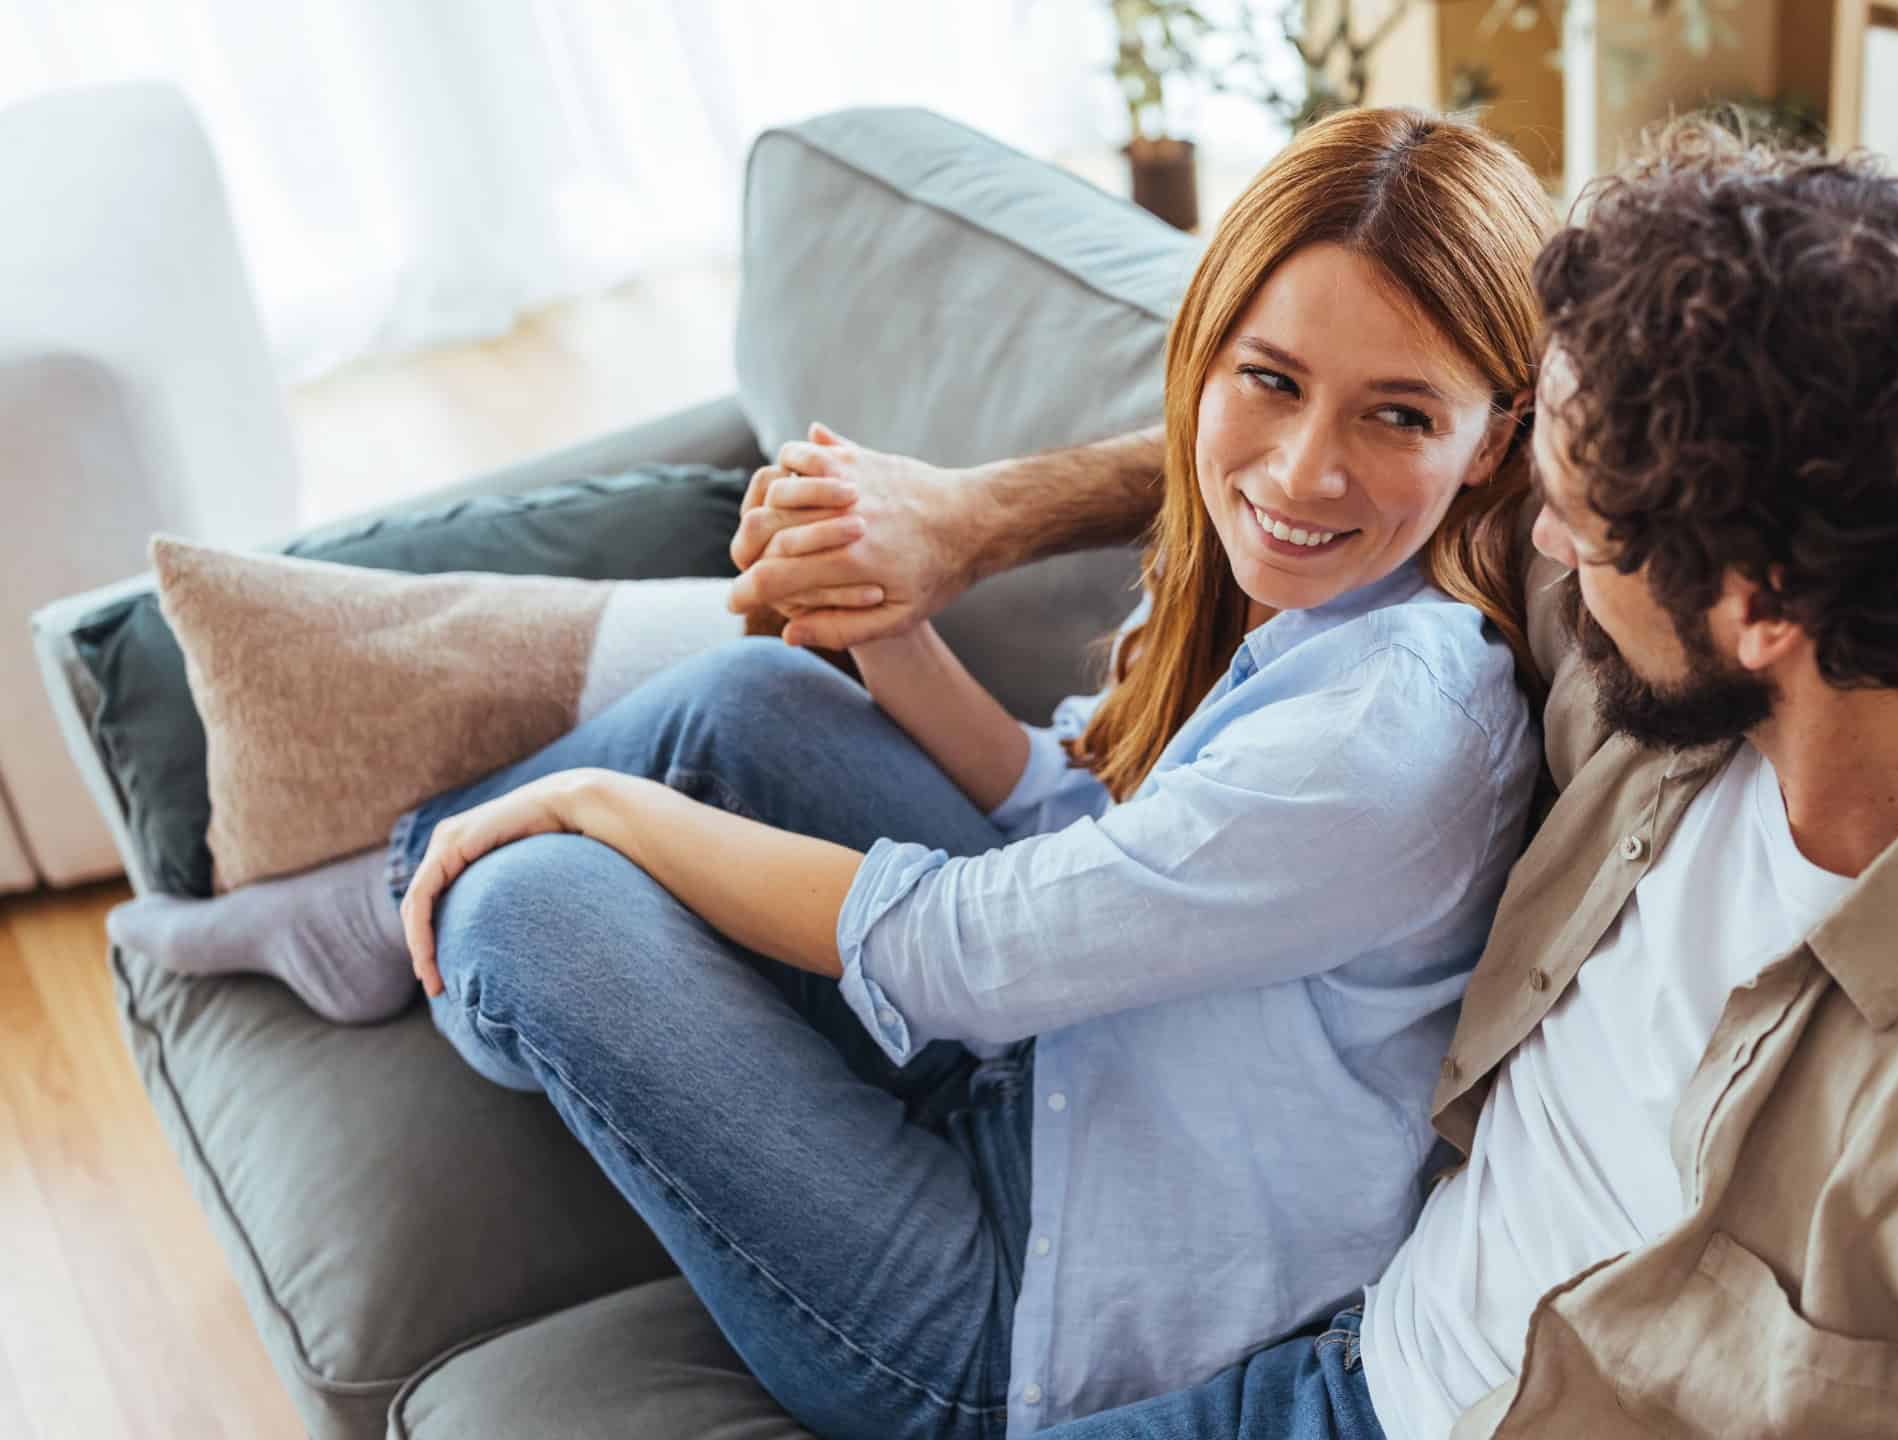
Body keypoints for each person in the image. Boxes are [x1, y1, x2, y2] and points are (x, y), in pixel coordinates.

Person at [742, 118, 1898, 1437]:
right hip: (1343, 1351)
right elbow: (1333, 457)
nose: (1539, 548)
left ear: (1762, 604)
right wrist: (974, 518)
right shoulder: (1715, 673)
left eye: (1572, 511)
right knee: (736, 712)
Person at [115, 108, 1554, 1440]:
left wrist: (603, 806)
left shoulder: (1387, 733)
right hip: (1062, 1075)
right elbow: (1069, 818)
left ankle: (432, 927)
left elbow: (965, 953)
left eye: (1399, 416)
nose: (1304, 471)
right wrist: (896, 636)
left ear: (1493, 443)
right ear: (1207, 355)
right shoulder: (1318, 603)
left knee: (529, 907)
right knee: (753, 696)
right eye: (1274, 381)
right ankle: (370, 907)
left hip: (1027, 1319)